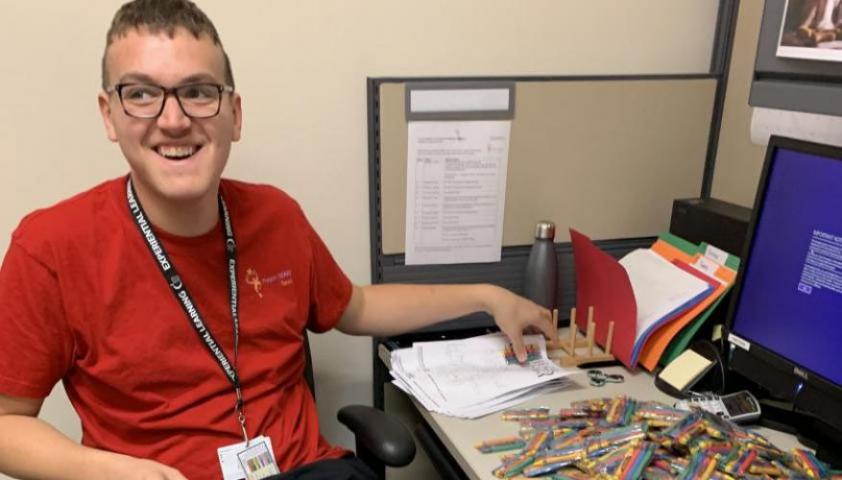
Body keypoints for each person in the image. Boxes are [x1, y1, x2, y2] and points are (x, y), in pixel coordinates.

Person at [0, 1, 557, 479]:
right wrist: (112, 470)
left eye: (198, 92)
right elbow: (5, 424)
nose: (173, 120)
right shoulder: (51, 247)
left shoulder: (276, 215)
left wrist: (488, 295)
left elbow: (355, 305)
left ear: (234, 115)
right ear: (109, 114)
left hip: (304, 468)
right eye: (142, 94)